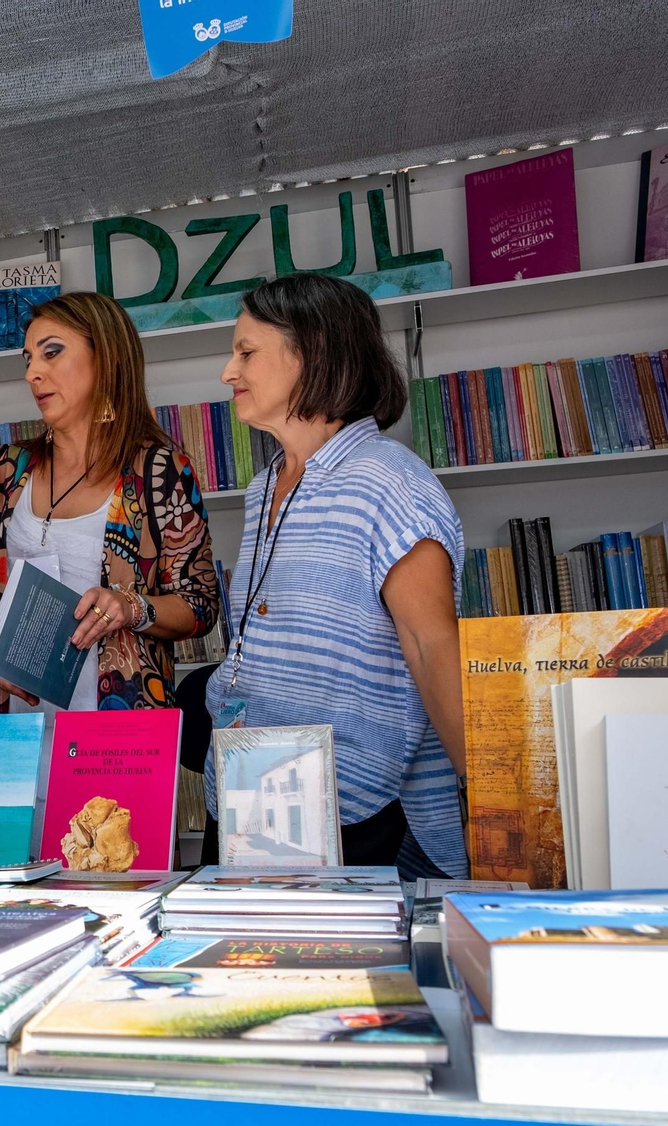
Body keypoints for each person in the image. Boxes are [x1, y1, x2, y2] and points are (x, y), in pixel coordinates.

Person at [202, 272, 468, 880]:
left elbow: (432, 647)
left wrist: (496, 809)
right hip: (243, 795)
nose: (228, 372)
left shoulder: (391, 482)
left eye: (246, 352)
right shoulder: (263, 486)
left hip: (344, 810)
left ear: (313, 354)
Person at [0, 292, 220, 714]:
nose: (32, 374)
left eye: (52, 353)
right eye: (28, 359)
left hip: (121, 728)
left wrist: (131, 606)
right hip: (11, 728)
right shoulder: (4, 470)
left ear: (107, 358)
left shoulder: (158, 470)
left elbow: (200, 605)